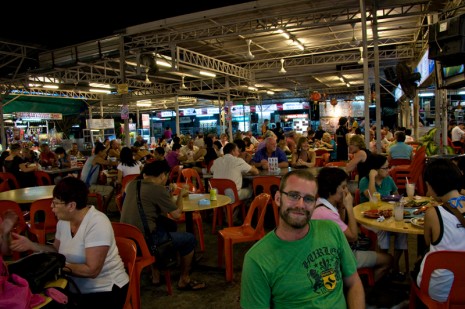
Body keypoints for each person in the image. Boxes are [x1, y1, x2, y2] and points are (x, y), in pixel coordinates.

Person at [240, 169, 364, 308]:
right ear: (278, 199)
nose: (300, 205)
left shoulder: (332, 230)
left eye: (309, 199)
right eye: (293, 195)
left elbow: (353, 283)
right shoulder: (257, 259)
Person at [10, 177, 129, 308]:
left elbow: (92, 270)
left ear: (71, 206)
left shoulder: (97, 223)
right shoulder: (63, 222)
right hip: (72, 287)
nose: (51, 207)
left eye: (55, 203)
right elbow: (56, 250)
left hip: (105, 290)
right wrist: (31, 245)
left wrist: (56, 267)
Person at [120, 160, 206, 291]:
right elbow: (176, 214)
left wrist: (167, 192)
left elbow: (151, 206)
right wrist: (181, 195)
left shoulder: (131, 184)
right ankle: (184, 279)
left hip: (126, 240)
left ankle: (156, 274)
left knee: (167, 225)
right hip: (146, 242)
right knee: (189, 239)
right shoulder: (157, 189)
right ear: (162, 175)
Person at [313, 167, 392, 283]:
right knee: (388, 259)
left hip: (331, 253)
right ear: (331, 190)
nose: (346, 191)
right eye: (343, 187)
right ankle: (363, 292)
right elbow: (353, 236)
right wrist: (350, 207)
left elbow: (340, 222)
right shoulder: (326, 214)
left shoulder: (320, 204)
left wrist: (341, 206)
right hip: (340, 258)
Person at [414, 159, 465, 303]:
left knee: (419, 262)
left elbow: (428, 243)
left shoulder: (433, 213)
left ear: (431, 185)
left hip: (438, 290)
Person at [358, 154, 407, 281]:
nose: (388, 170)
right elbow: (372, 197)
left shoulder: (389, 180)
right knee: (383, 230)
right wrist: (372, 178)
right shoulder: (365, 181)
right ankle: (384, 262)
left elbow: (397, 197)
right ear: (375, 169)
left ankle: (394, 264)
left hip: (387, 217)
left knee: (403, 232)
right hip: (370, 219)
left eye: (388, 167)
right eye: (385, 168)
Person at [80, 142, 117, 210]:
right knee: (111, 189)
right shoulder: (96, 158)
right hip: (88, 186)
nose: (105, 154)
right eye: (104, 152)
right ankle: (104, 209)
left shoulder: (92, 157)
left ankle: (103, 207)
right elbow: (108, 163)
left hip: (85, 185)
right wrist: (120, 162)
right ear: (100, 152)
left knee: (109, 185)